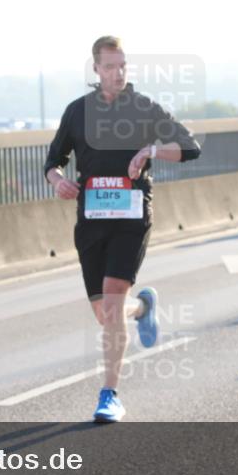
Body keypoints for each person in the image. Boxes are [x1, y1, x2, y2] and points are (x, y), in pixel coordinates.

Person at [44, 36, 201, 423]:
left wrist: (152, 151)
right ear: (96, 69)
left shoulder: (144, 108)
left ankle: (109, 394)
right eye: (110, 66)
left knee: (111, 306)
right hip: (91, 223)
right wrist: (57, 181)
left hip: (131, 220)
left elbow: (190, 146)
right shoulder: (77, 112)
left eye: (123, 66)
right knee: (106, 313)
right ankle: (144, 307)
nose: (117, 73)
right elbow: (53, 161)